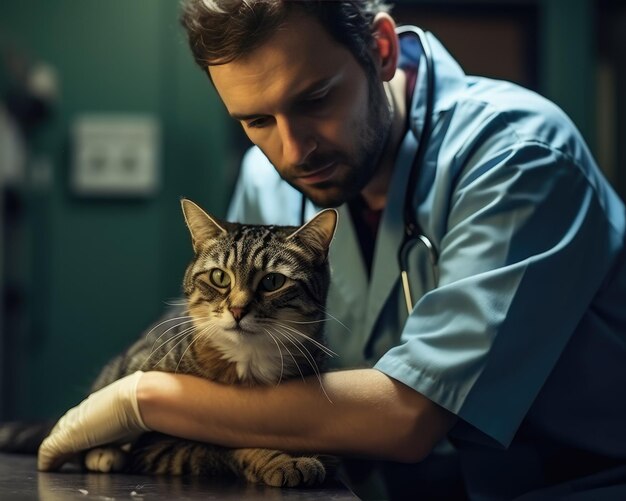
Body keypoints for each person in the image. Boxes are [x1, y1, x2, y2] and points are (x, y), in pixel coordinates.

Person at [38, 1, 626, 499]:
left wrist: (146, 397)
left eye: (315, 98)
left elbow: (408, 417)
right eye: (257, 120)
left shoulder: (519, 157)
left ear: (382, 50)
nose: (293, 151)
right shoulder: (269, 181)